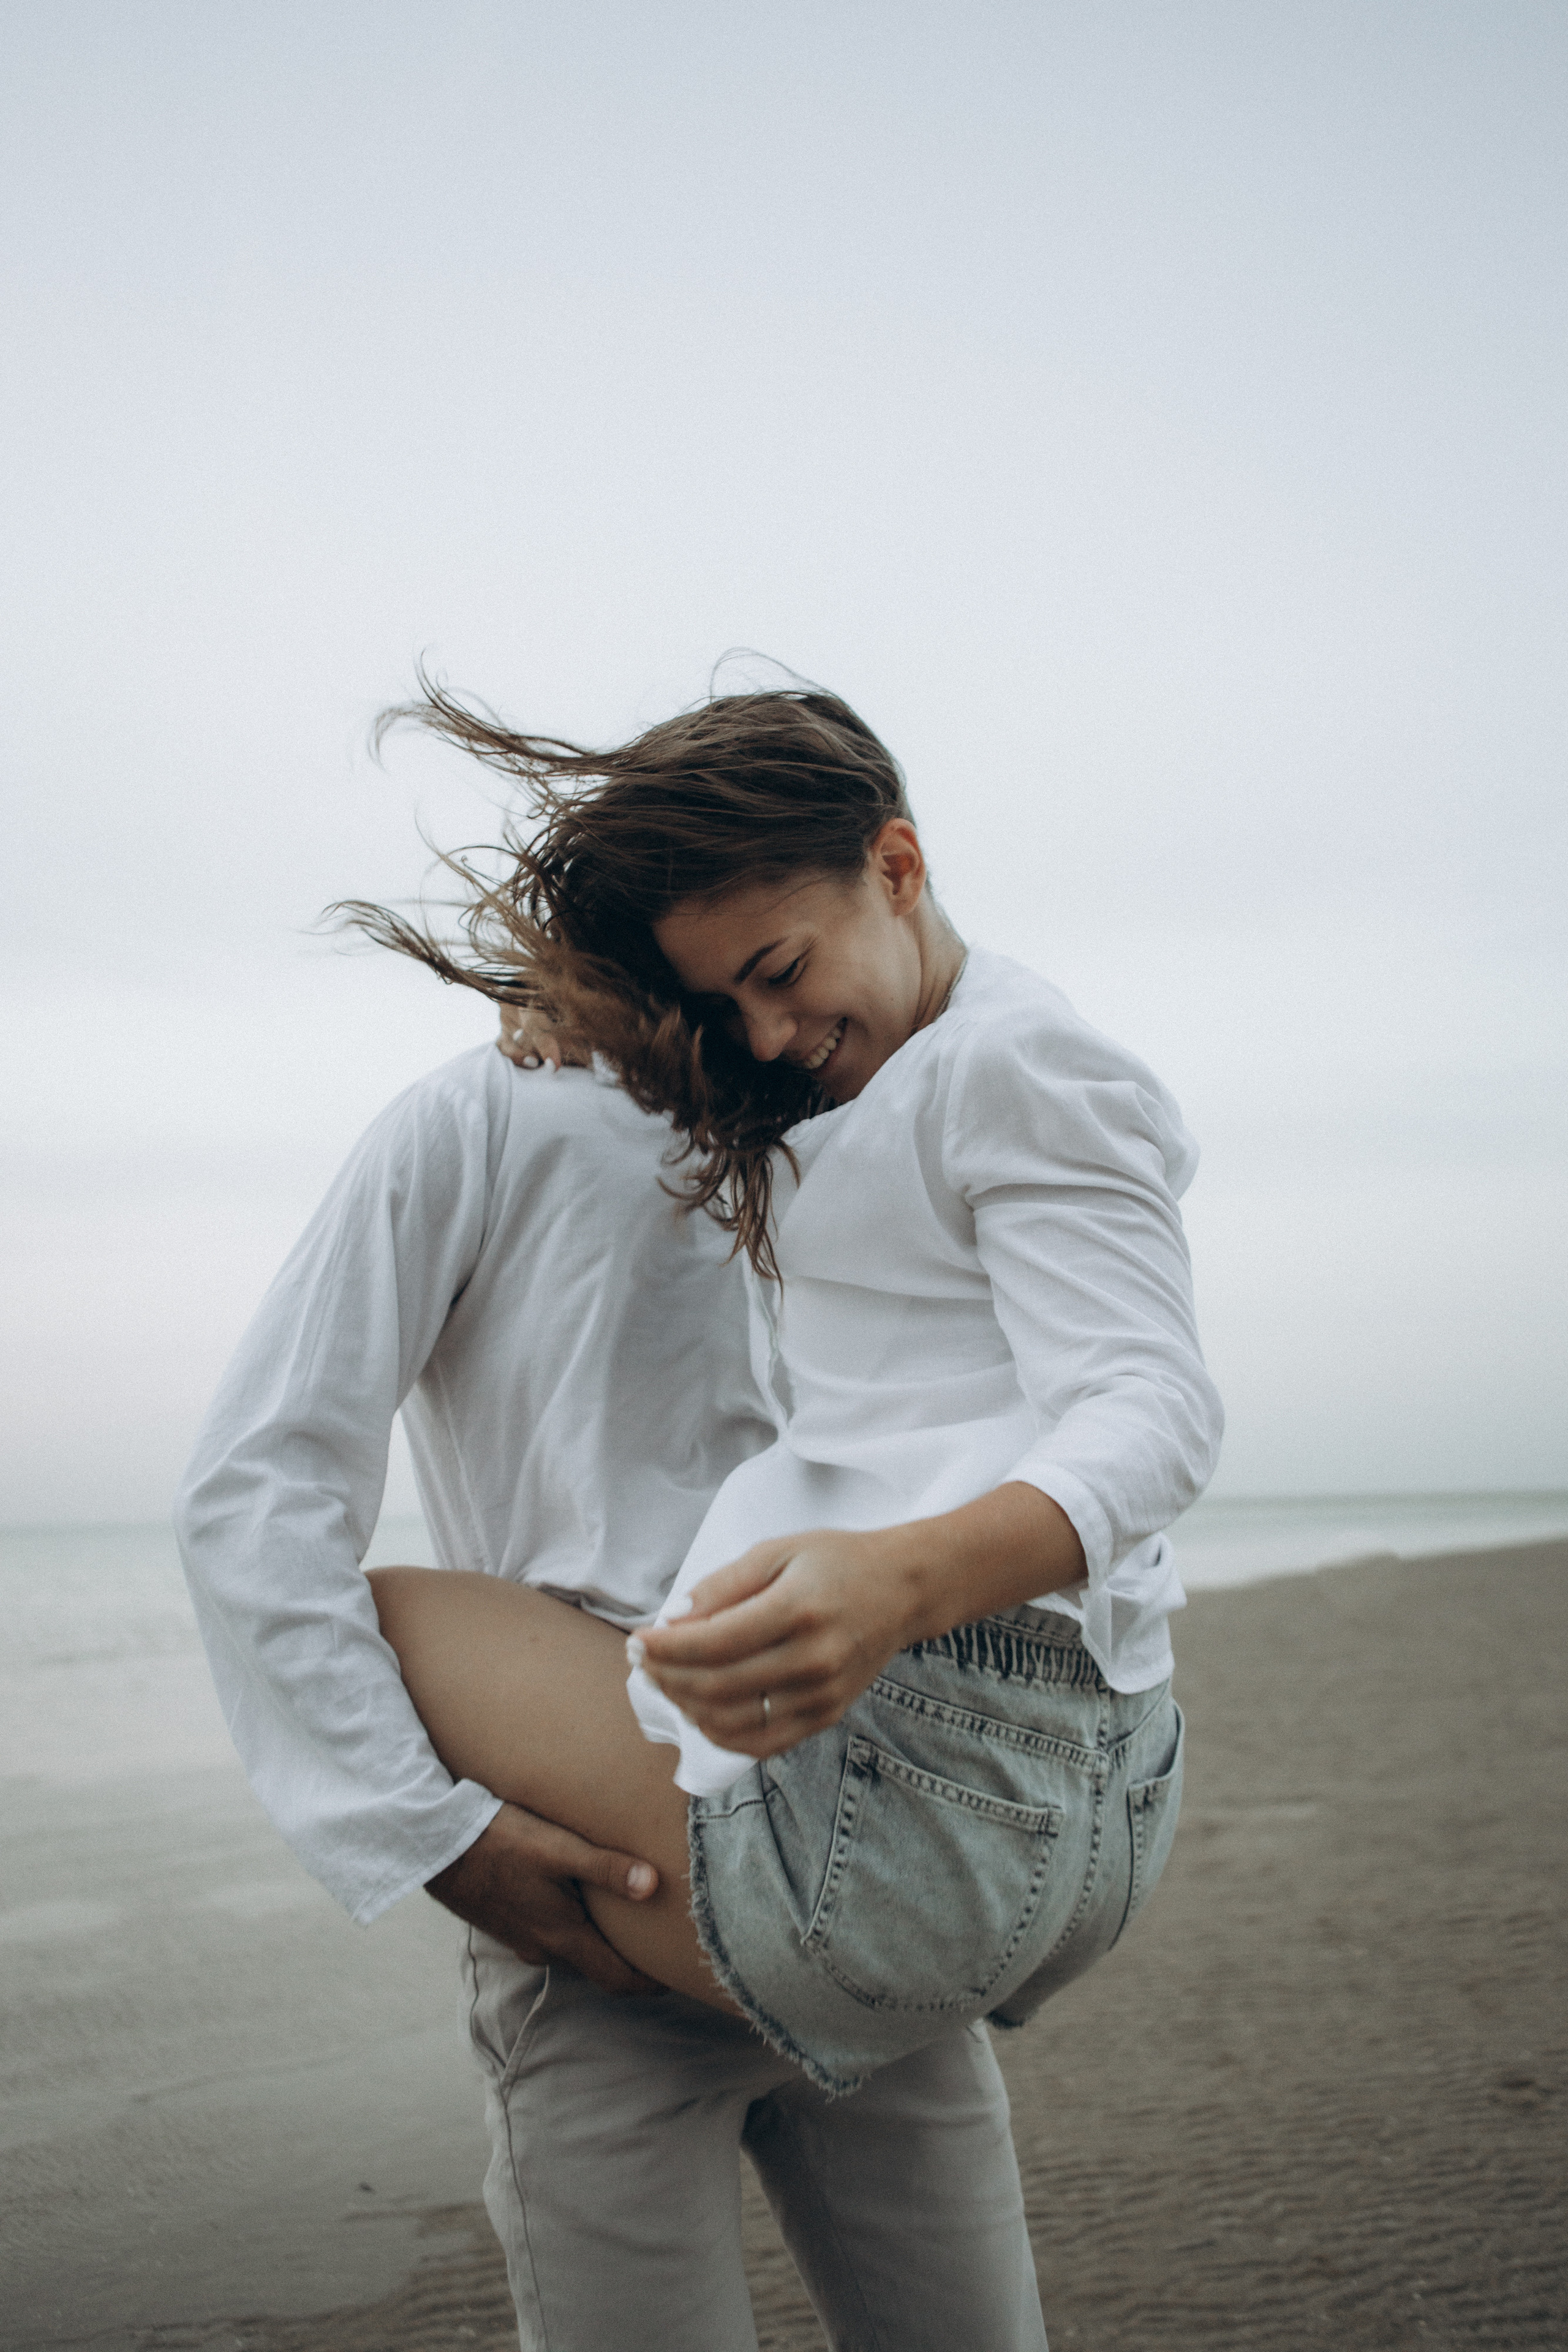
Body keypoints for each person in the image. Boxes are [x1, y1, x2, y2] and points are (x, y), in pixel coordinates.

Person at [350, 674, 1224, 2102]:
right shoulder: (885, 1076)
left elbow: (1158, 1411)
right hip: (1071, 1811)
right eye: (717, 1004)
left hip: (951, 1803)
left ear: (896, 865)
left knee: (388, 1610)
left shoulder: (1021, 1063)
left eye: (777, 970)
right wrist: (593, 1017)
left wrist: (895, 1584)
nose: (762, 1036)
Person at [175, 1023, 1050, 2350]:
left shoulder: (842, 1114)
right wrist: (430, 1833)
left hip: (859, 1874)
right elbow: (253, 1488)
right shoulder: (471, 1120)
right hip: (606, 1934)